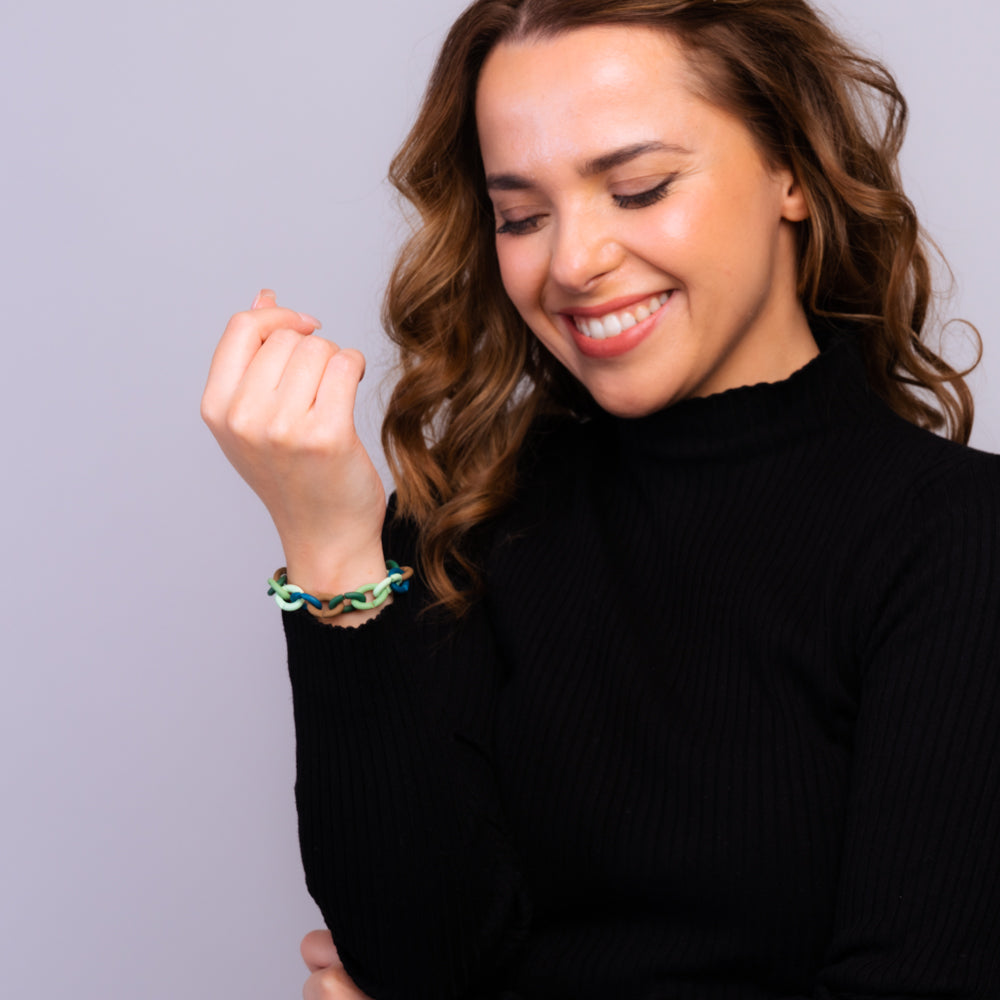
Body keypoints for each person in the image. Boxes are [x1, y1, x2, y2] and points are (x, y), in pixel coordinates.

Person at [201, 1, 1000, 997]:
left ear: (791, 168)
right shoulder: (466, 523)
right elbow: (417, 961)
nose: (573, 263)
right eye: (522, 216)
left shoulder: (958, 540)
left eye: (637, 187)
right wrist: (328, 549)